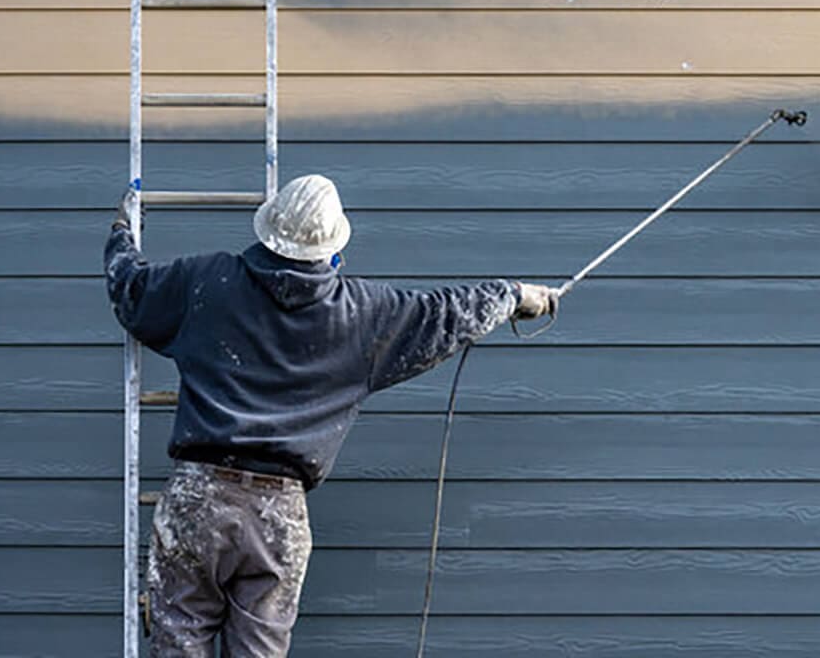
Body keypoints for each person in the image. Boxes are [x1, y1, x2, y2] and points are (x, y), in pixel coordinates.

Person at [104, 173, 557, 657]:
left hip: (200, 497)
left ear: (268, 231)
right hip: (279, 513)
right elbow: (444, 313)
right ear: (332, 248)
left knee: (178, 642)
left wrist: (122, 232)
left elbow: (130, 289)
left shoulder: (206, 281)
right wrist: (513, 295)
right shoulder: (362, 316)